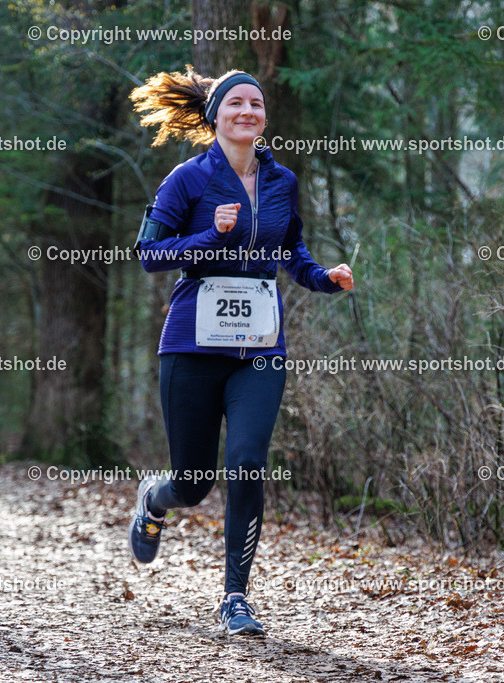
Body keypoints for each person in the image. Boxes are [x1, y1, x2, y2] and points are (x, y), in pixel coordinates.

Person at [126, 67, 354, 636]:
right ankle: (155, 500)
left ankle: (235, 597)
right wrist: (211, 236)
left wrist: (324, 278)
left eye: (256, 102)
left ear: (263, 117)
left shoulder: (282, 181)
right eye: (236, 103)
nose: (248, 110)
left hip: (259, 346)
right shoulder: (187, 179)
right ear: (215, 116)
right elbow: (149, 253)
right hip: (192, 345)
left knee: (248, 460)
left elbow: (292, 252)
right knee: (195, 483)